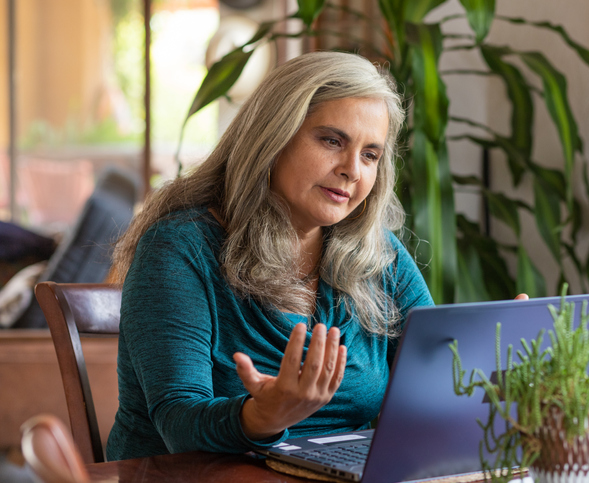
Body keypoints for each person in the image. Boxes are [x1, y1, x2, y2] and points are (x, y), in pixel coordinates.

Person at [105, 51, 436, 461]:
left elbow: (437, 378)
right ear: (273, 136)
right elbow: (178, 425)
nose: (352, 169)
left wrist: (487, 364)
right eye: (332, 140)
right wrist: (261, 415)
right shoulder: (178, 248)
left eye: (370, 154)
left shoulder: (376, 253)